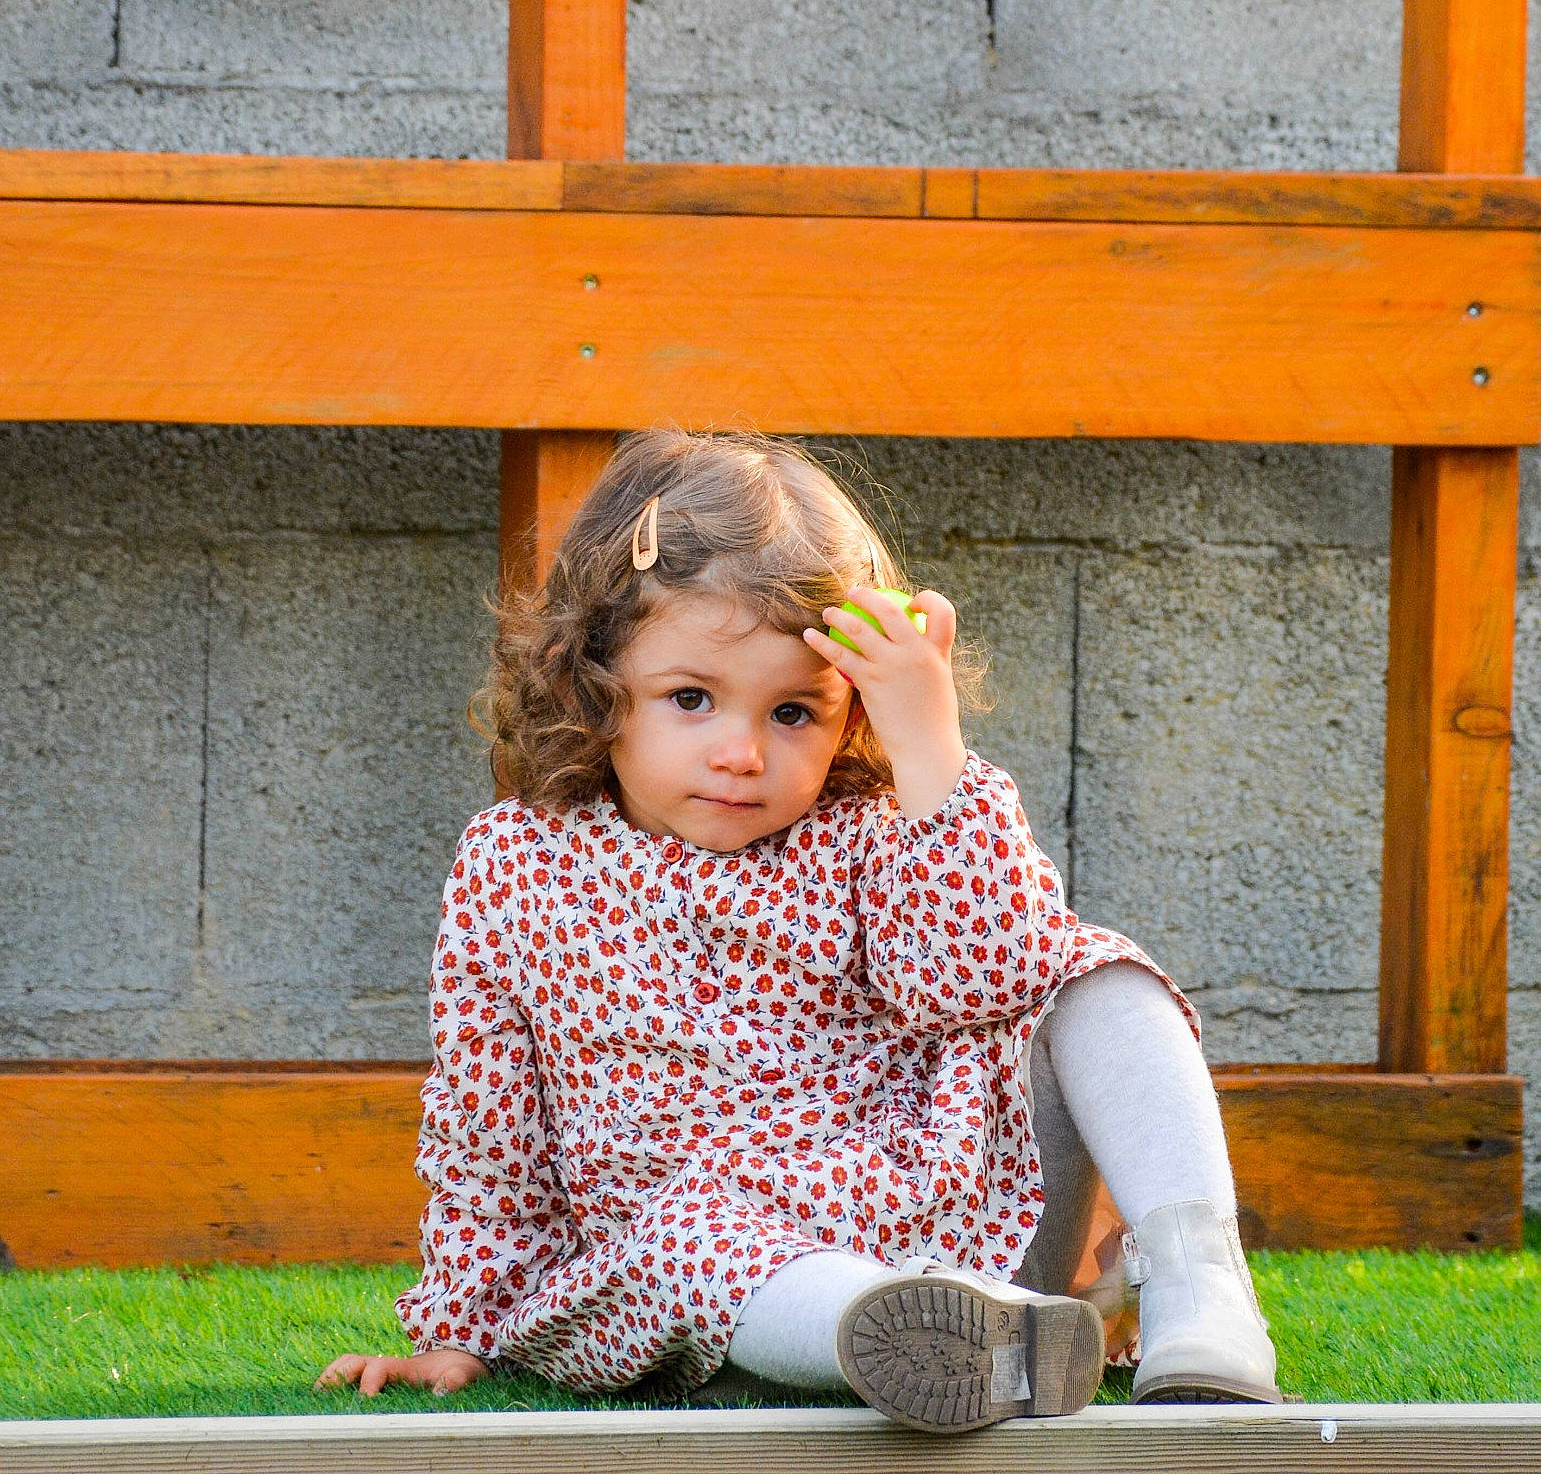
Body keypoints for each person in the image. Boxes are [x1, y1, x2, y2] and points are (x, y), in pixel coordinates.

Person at [317, 430, 1278, 1430]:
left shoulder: (868, 836)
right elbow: (485, 1125)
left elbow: (994, 970)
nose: (740, 751)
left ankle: (1196, 1292)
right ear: (591, 680)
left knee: (1087, 967)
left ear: (848, 713)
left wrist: (928, 747)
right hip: (703, 1282)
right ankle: (937, 1340)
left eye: (792, 712)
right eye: (690, 698)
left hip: (956, 1223)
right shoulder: (518, 862)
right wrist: (458, 1324)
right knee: (694, 1239)